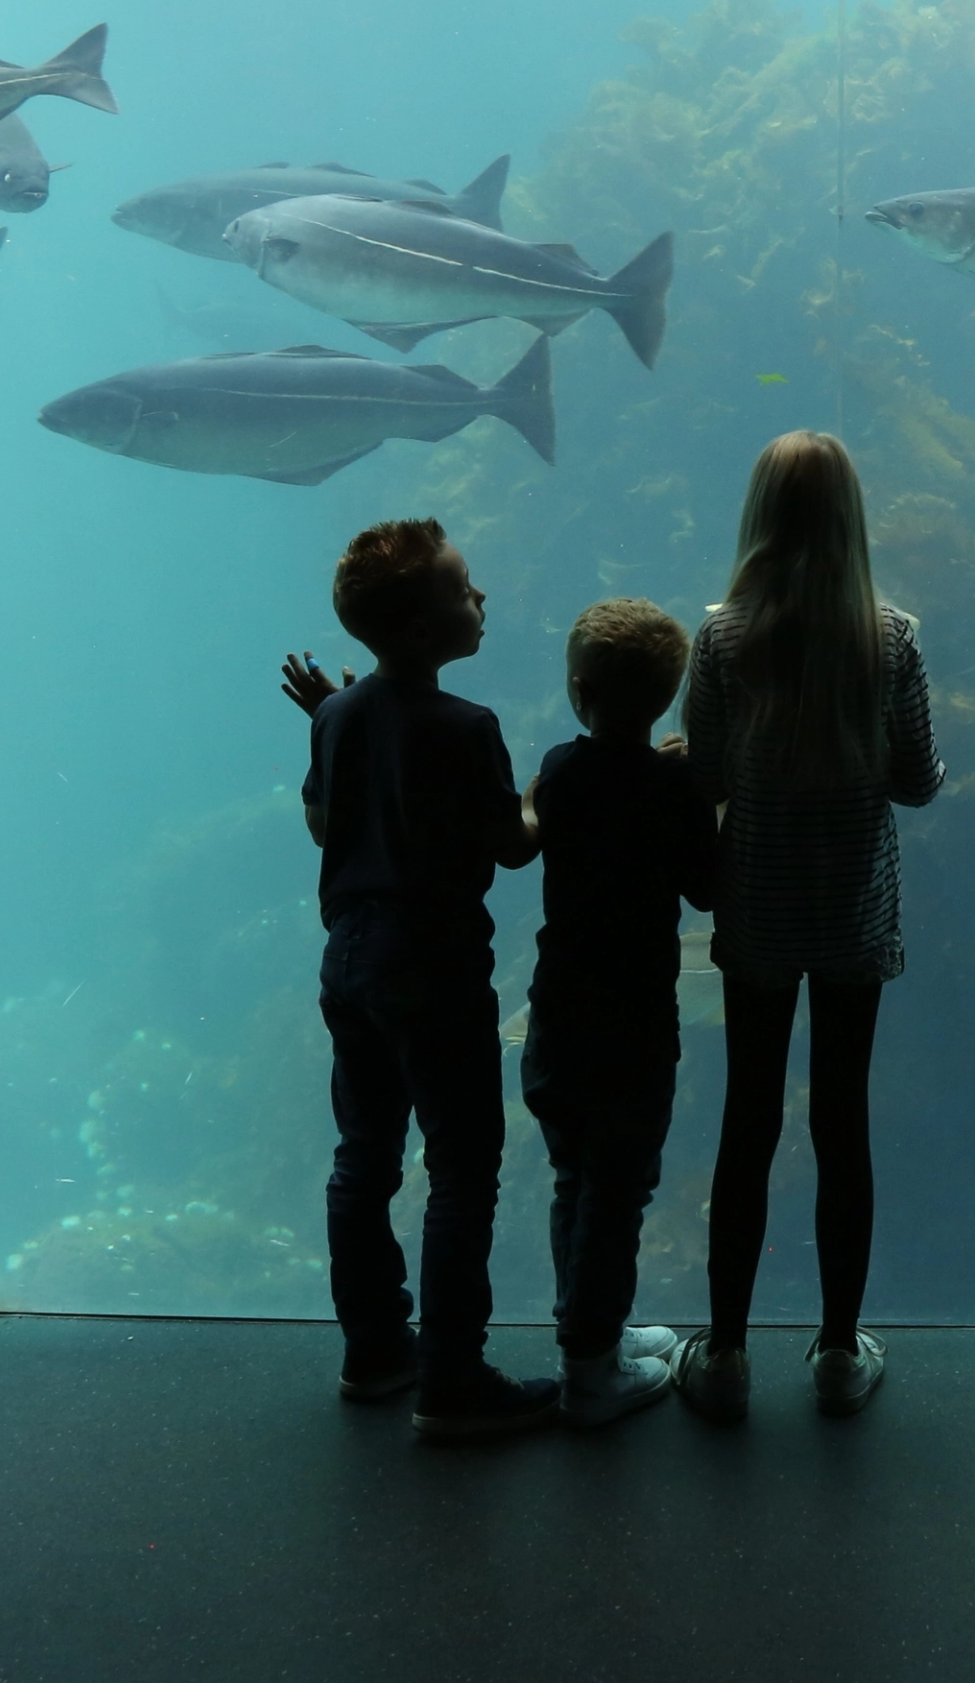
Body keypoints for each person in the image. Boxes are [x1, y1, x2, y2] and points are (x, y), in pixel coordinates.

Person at [670, 432, 944, 1421]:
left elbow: (700, 780)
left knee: (747, 1120)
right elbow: (915, 783)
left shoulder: (722, 638)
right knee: (841, 1121)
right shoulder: (891, 637)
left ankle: (730, 1352)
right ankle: (835, 1350)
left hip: (757, 907)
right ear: (850, 521)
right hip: (852, 914)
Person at [279, 517, 555, 1441]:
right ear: (420, 631)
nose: (481, 597)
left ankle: (375, 1351)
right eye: (462, 586)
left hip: (349, 961)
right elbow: (513, 849)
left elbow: (325, 829)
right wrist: (551, 791)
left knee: (364, 1158)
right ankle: (453, 1378)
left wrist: (339, 721)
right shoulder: (467, 726)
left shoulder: (336, 714)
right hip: (434, 969)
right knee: (462, 1168)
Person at [520, 598, 718, 1427]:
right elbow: (707, 890)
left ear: (578, 688)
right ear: (668, 699)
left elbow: (550, 817)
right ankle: (592, 1370)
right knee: (619, 1188)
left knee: (576, 1180)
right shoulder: (673, 784)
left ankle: (587, 1337)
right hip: (634, 1023)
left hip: (558, 1016)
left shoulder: (560, 772)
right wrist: (703, 792)